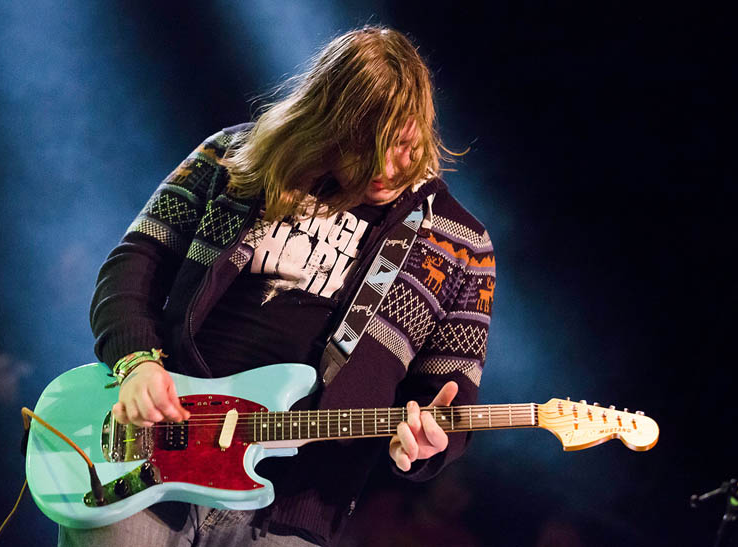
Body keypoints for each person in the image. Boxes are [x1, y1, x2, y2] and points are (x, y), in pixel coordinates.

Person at [64, 26, 495, 547]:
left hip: (294, 509)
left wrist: (429, 443)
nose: (385, 169)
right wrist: (137, 361)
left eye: (402, 146)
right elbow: (137, 259)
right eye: (363, 145)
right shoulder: (233, 156)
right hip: (154, 453)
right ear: (323, 122)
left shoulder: (462, 244)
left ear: (423, 129)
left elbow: (448, 394)